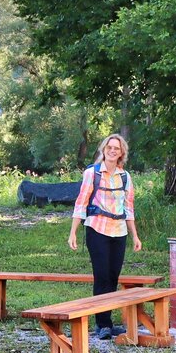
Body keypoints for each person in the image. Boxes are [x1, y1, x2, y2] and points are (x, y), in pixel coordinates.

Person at [68, 133, 142, 340]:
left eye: (116, 148)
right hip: (97, 229)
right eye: (109, 147)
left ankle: (107, 321)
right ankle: (102, 325)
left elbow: (129, 209)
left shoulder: (125, 177)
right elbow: (81, 202)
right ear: (103, 149)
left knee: (112, 277)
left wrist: (135, 236)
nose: (112, 150)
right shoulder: (92, 173)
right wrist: (73, 231)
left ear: (121, 153)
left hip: (119, 231)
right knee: (101, 276)